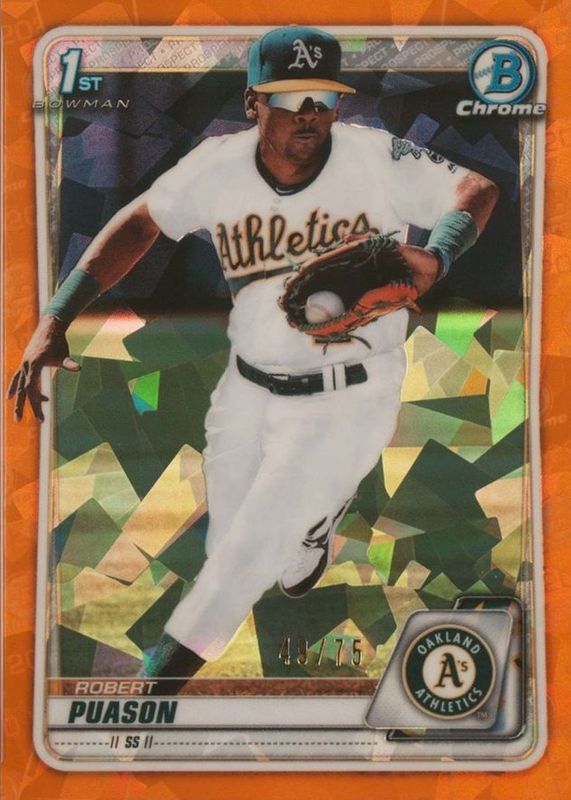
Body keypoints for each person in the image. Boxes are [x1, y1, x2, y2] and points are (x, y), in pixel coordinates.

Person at [9, 26, 499, 688]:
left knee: (238, 563)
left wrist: (438, 256)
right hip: (248, 391)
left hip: (351, 395)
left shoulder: (376, 155)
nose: (310, 114)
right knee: (238, 534)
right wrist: (56, 316)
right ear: (252, 103)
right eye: (291, 99)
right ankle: (315, 521)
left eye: (323, 99)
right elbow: (141, 221)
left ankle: (145, 703)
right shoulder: (217, 166)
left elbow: (475, 189)